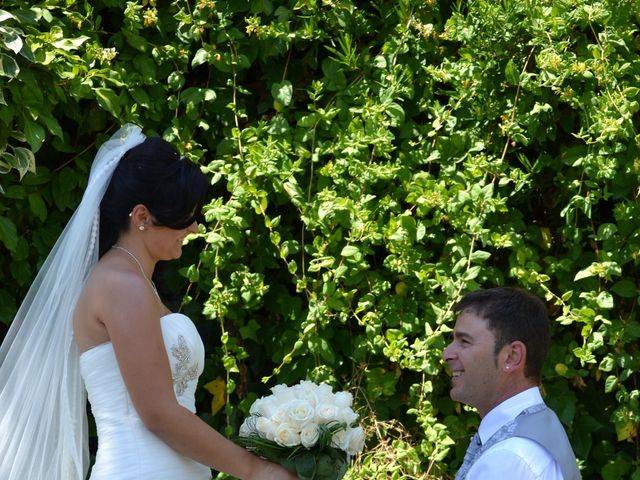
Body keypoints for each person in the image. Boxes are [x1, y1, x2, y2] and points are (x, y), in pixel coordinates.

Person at [0, 124, 297, 480]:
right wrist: (254, 470)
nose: (194, 227)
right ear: (142, 216)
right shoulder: (120, 284)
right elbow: (157, 413)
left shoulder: (134, 282)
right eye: (185, 216)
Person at [442, 287, 581, 480]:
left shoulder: (508, 459)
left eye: (464, 341)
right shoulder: (535, 430)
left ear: (512, 357)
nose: (446, 354)